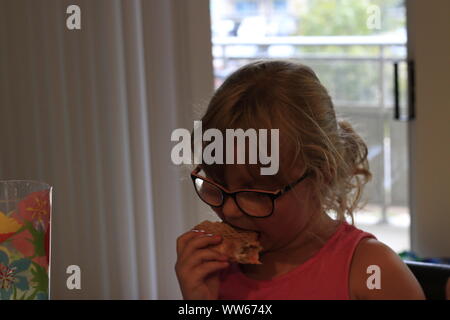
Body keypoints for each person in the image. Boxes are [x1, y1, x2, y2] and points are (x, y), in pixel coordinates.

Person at [175, 60, 425, 300]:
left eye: (255, 194)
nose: (228, 210)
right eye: (216, 183)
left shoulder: (371, 273)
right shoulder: (214, 271)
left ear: (322, 175)